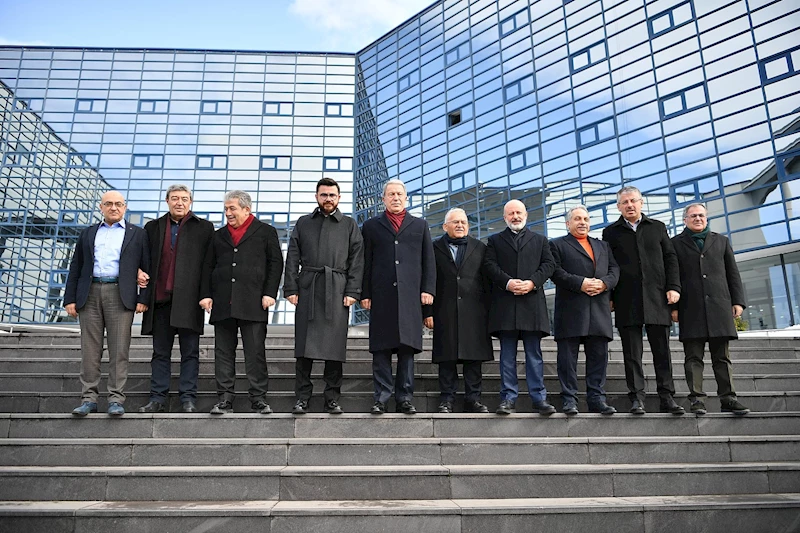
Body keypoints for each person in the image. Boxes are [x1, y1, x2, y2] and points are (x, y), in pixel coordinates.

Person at [65, 191, 150, 416]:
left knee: (119, 349)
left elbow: (147, 268)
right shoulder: (88, 233)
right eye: (109, 204)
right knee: (90, 350)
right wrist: (70, 299)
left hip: (120, 295)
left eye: (118, 204)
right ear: (101, 207)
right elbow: (76, 267)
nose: (114, 207)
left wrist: (142, 299)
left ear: (125, 207)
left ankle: (116, 399)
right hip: (89, 293)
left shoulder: (138, 235)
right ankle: (89, 399)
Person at [283, 177, 364, 415]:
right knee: (303, 349)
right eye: (324, 195)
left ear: (339, 198)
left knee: (334, 349)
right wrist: (291, 288)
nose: (328, 199)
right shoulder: (303, 222)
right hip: (309, 287)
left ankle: (332, 398)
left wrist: (352, 291)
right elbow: (293, 256)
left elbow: (357, 261)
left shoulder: (349, 225)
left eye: (332, 195)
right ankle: (302, 398)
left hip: (337, 290)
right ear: (316, 197)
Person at [199, 190, 283, 415]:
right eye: (226, 209)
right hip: (223, 301)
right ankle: (225, 398)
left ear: (247, 209)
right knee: (223, 352)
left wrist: (270, 293)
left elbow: (276, 264)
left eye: (232, 208)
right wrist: (206, 295)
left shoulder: (266, 232)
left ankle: (258, 398)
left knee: (255, 352)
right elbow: (208, 266)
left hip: (254, 301)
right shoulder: (218, 236)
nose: (228, 213)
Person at [602, 186, 684, 415]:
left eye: (633, 201)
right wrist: (609, 297)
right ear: (618, 207)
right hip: (626, 299)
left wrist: (674, 288)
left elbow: (671, 259)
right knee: (632, 353)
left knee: (662, 352)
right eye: (624, 202)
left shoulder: (657, 227)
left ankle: (667, 397)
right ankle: (637, 397)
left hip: (658, 297)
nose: (629, 205)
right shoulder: (611, 233)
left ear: (641, 203)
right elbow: (608, 266)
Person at [136, 185, 214, 414]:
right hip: (160, 300)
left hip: (190, 301)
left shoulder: (204, 228)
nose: (179, 202)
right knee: (160, 352)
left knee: (190, 352)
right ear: (167, 201)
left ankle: (188, 398)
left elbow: (208, 265)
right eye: (175, 199)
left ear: (191, 202)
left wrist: (205, 295)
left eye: (184, 199)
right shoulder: (152, 227)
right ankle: (157, 398)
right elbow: (143, 261)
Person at [360, 179, 435, 415]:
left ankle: (404, 398)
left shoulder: (420, 225)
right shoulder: (371, 226)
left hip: (411, 297)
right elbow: (365, 262)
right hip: (381, 296)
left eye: (399, 194)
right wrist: (365, 293)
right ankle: (381, 398)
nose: (395, 198)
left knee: (406, 350)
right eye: (391, 194)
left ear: (406, 198)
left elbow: (428, 262)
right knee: (381, 350)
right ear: (383, 199)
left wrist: (428, 289)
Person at [671, 203, 750, 415]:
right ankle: (697, 400)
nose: (698, 219)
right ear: (684, 220)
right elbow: (672, 276)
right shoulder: (674, 244)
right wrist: (674, 307)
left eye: (701, 215)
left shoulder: (721, 241)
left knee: (722, 358)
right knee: (693, 358)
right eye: (693, 216)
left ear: (706, 218)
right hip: (690, 308)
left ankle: (729, 399)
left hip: (719, 306)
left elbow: (733, 273)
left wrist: (738, 301)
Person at [485, 199, 556, 415]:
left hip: (531, 303)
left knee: (533, 354)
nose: (515, 216)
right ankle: (508, 398)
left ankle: (539, 398)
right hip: (506, 305)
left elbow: (549, 264)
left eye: (518, 212)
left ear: (526, 215)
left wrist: (532, 282)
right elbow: (489, 266)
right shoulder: (495, 241)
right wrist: (508, 282)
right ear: (505, 217)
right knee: (507, 355)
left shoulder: (540, 240)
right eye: (511, 213)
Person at [550, 205, 619, 415]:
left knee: (598, 356)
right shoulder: (556, 245)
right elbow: (555, 271)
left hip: (598, 308)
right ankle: (569, 399)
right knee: (567, 359)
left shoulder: (603, 246)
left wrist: (604, 283)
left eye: (586, 219)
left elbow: (614, 269)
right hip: (571, 309)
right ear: (568, 223)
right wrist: (580, 283)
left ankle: (596, 398)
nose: (583, 222)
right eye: (577, 219)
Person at [423, 208, 492, 414]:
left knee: (473, 359)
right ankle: (447, 399)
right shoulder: (434, 248)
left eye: (463, 222)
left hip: (475, 312)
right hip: (444, 310)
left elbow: (487, 282)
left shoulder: (480, 248)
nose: (460, 225)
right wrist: (427, 311)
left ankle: (473, 399)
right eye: (455, 222)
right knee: (447, 358)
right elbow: (428, 280)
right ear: (445, 226)